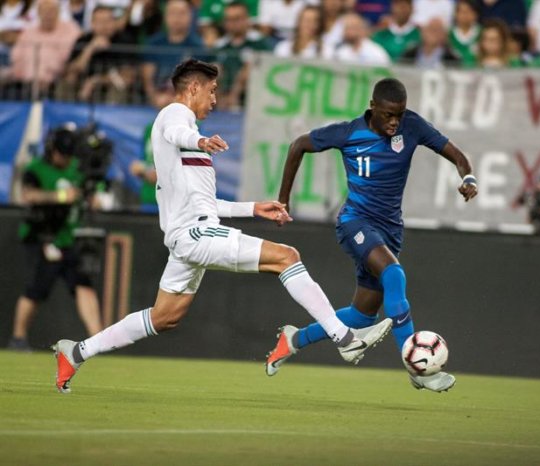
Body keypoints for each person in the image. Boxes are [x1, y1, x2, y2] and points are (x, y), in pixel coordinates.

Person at [53, 59, 392, 394]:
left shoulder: (183, 146)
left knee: (164, 317)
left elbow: (206, 204)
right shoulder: (175, 116)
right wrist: (199, 141)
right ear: (194, 87)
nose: (215, 100)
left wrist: (253, 208)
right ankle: (344, 338)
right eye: (212, 91)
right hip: (195, 235)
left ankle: (77, 352)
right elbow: (177, 131)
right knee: (286, 256)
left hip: (191, 234)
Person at [266, 77, 478, 392]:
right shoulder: (349, 132)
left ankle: (293, 339)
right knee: (394, 275)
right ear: (372, 107)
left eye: (400, 114)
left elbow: (458, 156)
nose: (395, 121)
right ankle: (415, 366)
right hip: (355, 222)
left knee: (362, 317)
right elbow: (299, 145)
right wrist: (283, 199)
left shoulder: (413, 127)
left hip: (390, 230)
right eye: (388, 114)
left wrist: (469, 178)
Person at [8, 125, 102, 351]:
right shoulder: (36, 168)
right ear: (52, 150)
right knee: (36, 289)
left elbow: (91, 191)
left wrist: (92, 197)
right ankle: (18, 339)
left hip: (70, 237)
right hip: (43, 235)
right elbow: (27, 195)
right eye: (62, 154)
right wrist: (60, 196)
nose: (66, 159)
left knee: (83, 284)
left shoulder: (76, 169)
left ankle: (98, 340)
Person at [62, 6, 136, 102]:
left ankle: (111, 116)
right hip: (82, 85)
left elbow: (128, 76)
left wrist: (95, 81)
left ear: (114, 22)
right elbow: (71, 70)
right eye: (100, 22)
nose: (104, 26)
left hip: (110, 86)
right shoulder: (83, 40)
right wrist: (89, 50)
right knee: (67, 81)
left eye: (108, 21)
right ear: (92, 23)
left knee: (118, 87)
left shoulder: (124, 41)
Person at [7, 0, 80, 95]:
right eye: (44, 11)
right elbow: (16, 57)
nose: (48, 15)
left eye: (51, 11)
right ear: (38, 13)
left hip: (58, 80)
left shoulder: (71, 30)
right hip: (26, 81)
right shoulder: (29, 32)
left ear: (58, 12)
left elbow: (73, 56)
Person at [142, 0, 205, 108]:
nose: (177, 18)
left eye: (182, 13)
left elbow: (200, 81)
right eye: (173, 13)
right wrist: (154, 99)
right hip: (159, 99)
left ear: (190, 16)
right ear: (165, 16)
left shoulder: (198, 46)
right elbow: (148, 78)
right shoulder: (154, 44)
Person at [214, 2, 272, 109]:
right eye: (229, 19)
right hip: (222, 98)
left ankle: (233, 100)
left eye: (237, 19)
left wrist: (234, 93)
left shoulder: (260, 43)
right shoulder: (220, 46)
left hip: (253, 98)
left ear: (247, 19)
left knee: (250, 67)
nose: (233, 23)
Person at [449, 0, 480, 67]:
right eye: (461, 12)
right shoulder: (448, 34)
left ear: (475, 14)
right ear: (455, 14)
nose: (465, 15)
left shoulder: (482, 33)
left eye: (468, 11)